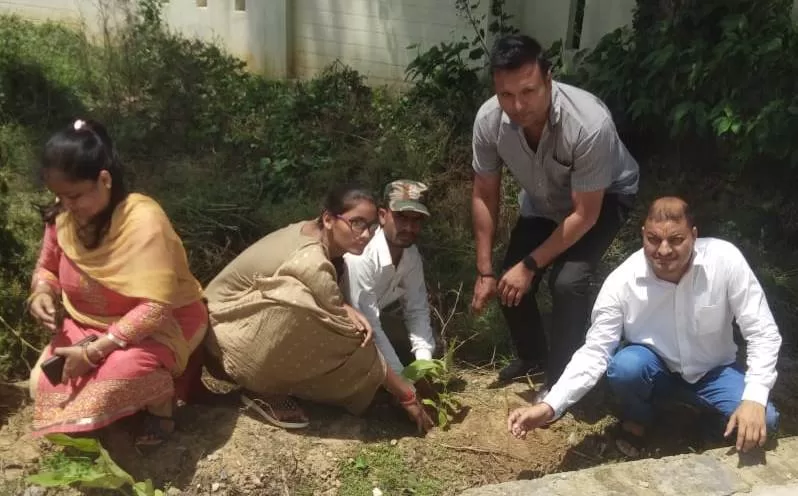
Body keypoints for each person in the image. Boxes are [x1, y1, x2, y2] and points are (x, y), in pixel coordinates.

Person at [508, 197, 782, 456]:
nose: (663, 250)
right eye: (654, 239)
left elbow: (762, 331)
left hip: (714, 372)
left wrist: (755, 397)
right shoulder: (622, 282)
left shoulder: (725, 260)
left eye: (676, 240)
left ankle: (706, 424)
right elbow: (595, 352)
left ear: (694, 236)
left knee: (765, 419)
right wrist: (549, 406)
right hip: (655, 373)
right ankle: (639, 418)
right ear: (643, 235)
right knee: (625, 367)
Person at [470, 34, 639, 388]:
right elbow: (484, 193)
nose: (517, 106)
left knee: (567, 283)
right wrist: (484, 270)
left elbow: (585, 214)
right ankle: (533, 357)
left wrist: (531, 265)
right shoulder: (488, 120)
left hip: (604, 197)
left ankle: (564, 382)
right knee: (507, 280)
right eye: (506, 95)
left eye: (528, 91)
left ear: (549, 78)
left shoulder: (589, 124)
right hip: (543, 200)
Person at [27, 119, 208, 448]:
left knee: (118, 378)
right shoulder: (64, 217)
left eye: (75, 196)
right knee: (40, 383)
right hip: (86, 326)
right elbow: (47, 267)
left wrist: (95, 352)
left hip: (159, 326)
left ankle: (161, 405)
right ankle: (109, 410)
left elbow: (155, 308)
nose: (67, 206)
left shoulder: (143, 221)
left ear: (105, 180)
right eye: (59, 196)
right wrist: (41, 291)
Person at [202, 184, 433, 432]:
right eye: (357, 224)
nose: (365, 234)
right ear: (329, 219)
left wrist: (423, 367)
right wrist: (405, 392)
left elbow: (414, 310)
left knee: (351, 327)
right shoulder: (311, 259)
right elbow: (355, 330)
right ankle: (262, 388)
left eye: (369, 226)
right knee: (313, 313)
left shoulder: (319, 235)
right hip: (221, 338)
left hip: (235, 326)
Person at [342, 180, 435, 376]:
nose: (409, 228)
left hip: (371, 320)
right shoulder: (362, 255)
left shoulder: (410, 255)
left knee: (429, 346)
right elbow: (369, 325)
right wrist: (404, 382)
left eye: (416, 220)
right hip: (342, 325)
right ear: (383, 216)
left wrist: (424, 367)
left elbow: (416, 310)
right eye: (401, 218)